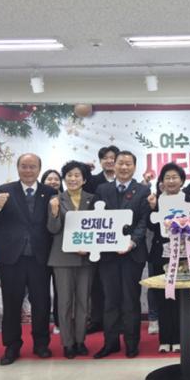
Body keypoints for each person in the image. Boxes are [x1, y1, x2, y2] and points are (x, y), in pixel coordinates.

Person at [0, 153, 56, 365]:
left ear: (39, 169)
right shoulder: (4, 190)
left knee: (41, 303)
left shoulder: (50, 192)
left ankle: (41, 344)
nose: (28, 170)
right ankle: (12, 346)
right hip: (11, 257)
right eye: (24, 166)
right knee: (11, 303)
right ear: (18, 168)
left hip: (40, 257)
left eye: (32, 167)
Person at [93, 151, 151, 359]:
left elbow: (144, 220)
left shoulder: (143, 190)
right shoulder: (102, 189)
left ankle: (131, 343)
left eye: (128, 164)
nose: (124, 167)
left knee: (130, 299)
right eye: (120, 163)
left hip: (132, 254)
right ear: (114, 165)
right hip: (108, 254)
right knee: (110, 300)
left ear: (134, 167)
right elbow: (95, 219)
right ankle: (110, 343)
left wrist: (132, 241)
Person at [47, 161, 97, 359]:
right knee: (65, 302)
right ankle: (67, 343)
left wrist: (89, 246)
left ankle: (80, 340)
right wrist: (54, 212)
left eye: (77, 175)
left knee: (84, 301)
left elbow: (98, 228)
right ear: (64, 178)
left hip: (86, 258)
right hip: (62, 257)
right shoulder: (55, 199)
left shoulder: (93, 199)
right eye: (69, 175)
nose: (73, 179)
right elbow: (52, 229)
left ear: (84, 179)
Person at [147, 163, 190, 353]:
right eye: (167, 177)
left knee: (182, 297)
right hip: (161, 254)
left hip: (185, 254)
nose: (171, 181)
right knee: (163, 296)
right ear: (161, 181)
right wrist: (152, 209)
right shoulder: (156, 200)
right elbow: (151, 226)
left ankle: (180, 338)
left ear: (182, 181)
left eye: (174, 177)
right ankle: (165, 338)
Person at [84, 145, 119, 335]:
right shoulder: (92, 181)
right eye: (105, 158)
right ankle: (97, 319)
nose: (109, 161)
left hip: (119, 239)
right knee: (97, 283)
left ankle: (118, 321)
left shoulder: (125, 179)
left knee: (118, 284)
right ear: (100, 161)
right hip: (99, 238)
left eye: (113, 157)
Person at [41, 169, 62, 335]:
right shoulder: (38, 198)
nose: (53, 182)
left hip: (59, 250)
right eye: (49, 179)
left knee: (60, 289)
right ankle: (42, 323)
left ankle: (59, 322)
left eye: (56, 179)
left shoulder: (64, 198)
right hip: (40, 250)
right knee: (41, 290)